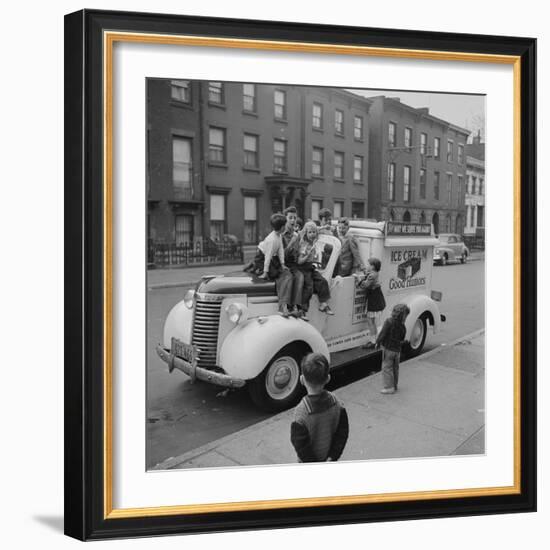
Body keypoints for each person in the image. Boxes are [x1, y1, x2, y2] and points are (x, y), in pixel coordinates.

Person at [290, 353, 349, 463]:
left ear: (302, 380)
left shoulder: (301, 412)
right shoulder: (337, 403)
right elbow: (342, 433)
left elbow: (300, 446)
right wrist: (332, 457)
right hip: (329, 459)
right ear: (328, 378)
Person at [244, 213, 294, 317]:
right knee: (276, 274)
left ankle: (285, 305)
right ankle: (282, 306)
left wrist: (283, 264)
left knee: (285, 272)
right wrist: (266, 272)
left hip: (271, 258)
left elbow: (280, 250)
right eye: (284, 225)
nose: (286, 226)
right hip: (262, 258)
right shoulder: (271, 239)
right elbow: (267, 256)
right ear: (281, 227)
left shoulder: (279, 236)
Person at [292, 221, 334, 317]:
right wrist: (308, 255)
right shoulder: (304, 245)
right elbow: (299, 261)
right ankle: (302, 309)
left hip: (310, 267)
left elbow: (316, 228)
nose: (312, 234)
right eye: (310, 232)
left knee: (322, 281)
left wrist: (324, 227)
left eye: (314, 232)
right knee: (308, 287)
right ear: (306, 233)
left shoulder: (313, 240)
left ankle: (323, 303)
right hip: (303, 267)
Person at [376, 303, 410, 394]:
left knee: (387, 368)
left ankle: (388, 387)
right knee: (395, 368)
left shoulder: (388, 322)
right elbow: (402, 338)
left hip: (388, 349)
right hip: (397, 351)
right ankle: (395, 385)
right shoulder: (403, 326)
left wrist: (377, 342)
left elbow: (382, 334)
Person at [358, 257, 385, 348]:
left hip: (374, 300)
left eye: (369, 264)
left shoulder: (372, 275)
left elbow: (365, 285)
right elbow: (368, 275)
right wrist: (363, 270)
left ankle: (373, 342)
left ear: (373, 266)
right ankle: (375, 340)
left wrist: (358, 279)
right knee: (372, 321)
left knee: (371, 321)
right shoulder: (374, 274)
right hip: (376, 298)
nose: (367, 266)